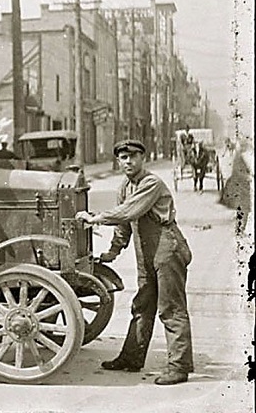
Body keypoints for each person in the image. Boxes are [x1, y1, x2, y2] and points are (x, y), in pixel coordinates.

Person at [75, 139, 193, 385]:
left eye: (133, 157)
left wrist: (95, 218)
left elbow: (129, 212)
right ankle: (131, 358)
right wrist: (112, 252)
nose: (128, 162)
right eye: (123, 158)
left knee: (170, 309)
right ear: (118, 161)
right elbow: (124, 225)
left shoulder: (151, 183)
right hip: (146, 252)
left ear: (143, 159)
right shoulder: (124, 187)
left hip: (167, 248)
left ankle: (179, 368)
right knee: (142, 305)